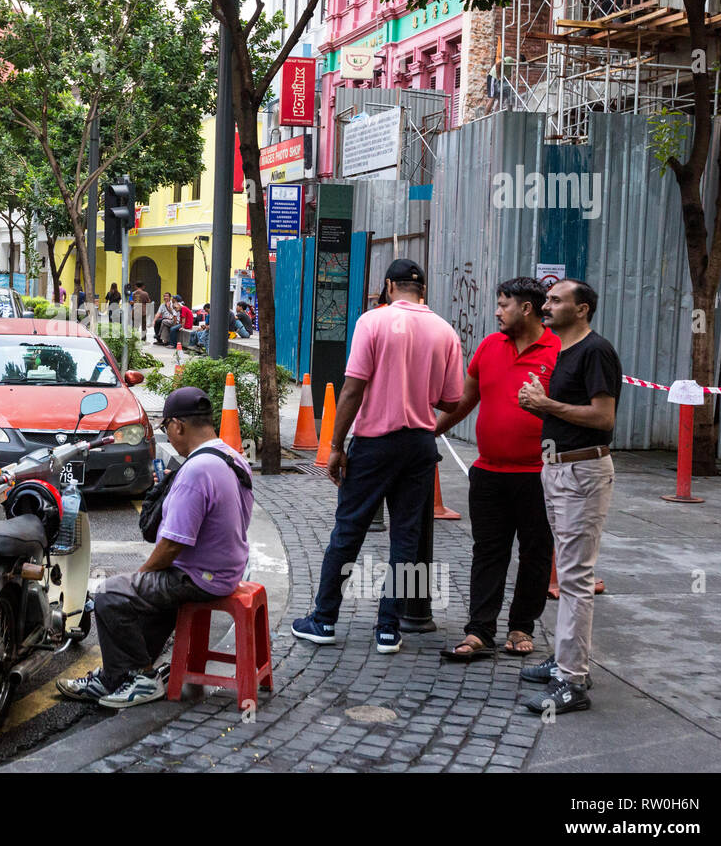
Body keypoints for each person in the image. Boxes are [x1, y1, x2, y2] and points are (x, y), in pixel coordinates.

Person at [291, 258, 464, 655]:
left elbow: (352, 389)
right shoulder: (444, 330)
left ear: (389, 286)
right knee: (406, 538)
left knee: (348, 531)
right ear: (423, 290)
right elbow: (451, 400)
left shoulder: (373, 321)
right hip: (420, 444)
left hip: (374, 444)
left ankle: (324, 619)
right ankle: (389, 628)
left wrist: (335, 446)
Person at [56, 387, 253, 707]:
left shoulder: (197, 470)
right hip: (226, 571)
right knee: (146, 592)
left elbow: (173, 544)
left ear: (178, 426)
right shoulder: (232, 457)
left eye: (166, 429)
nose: (169, 436)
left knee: (110, 593)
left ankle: (141, 677)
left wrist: (140, 575)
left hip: (200, 578)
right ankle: (116, 676)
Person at [436, 277, 559, 661]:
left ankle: (522, 625)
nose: (496, 311)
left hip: (540, 474)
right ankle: (479, 631)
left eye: (503, 305)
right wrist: (428, 432)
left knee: (536, 553)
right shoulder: (490, 346)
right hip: (488, 473)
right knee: (488, 552)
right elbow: (464, 400)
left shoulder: (559, 350)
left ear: (526, 308)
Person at [516, 278, 622, 714]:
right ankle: (566, 660)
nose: (547, 305)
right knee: (568, 574)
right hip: (559, 469)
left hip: (583, 471)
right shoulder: (563, 350)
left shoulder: (596, 350)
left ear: (581, 310)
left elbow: (603, 416)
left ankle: (572, 681)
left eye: (557, 300)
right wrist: (539, 404)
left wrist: (547, 406)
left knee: (576, 579)